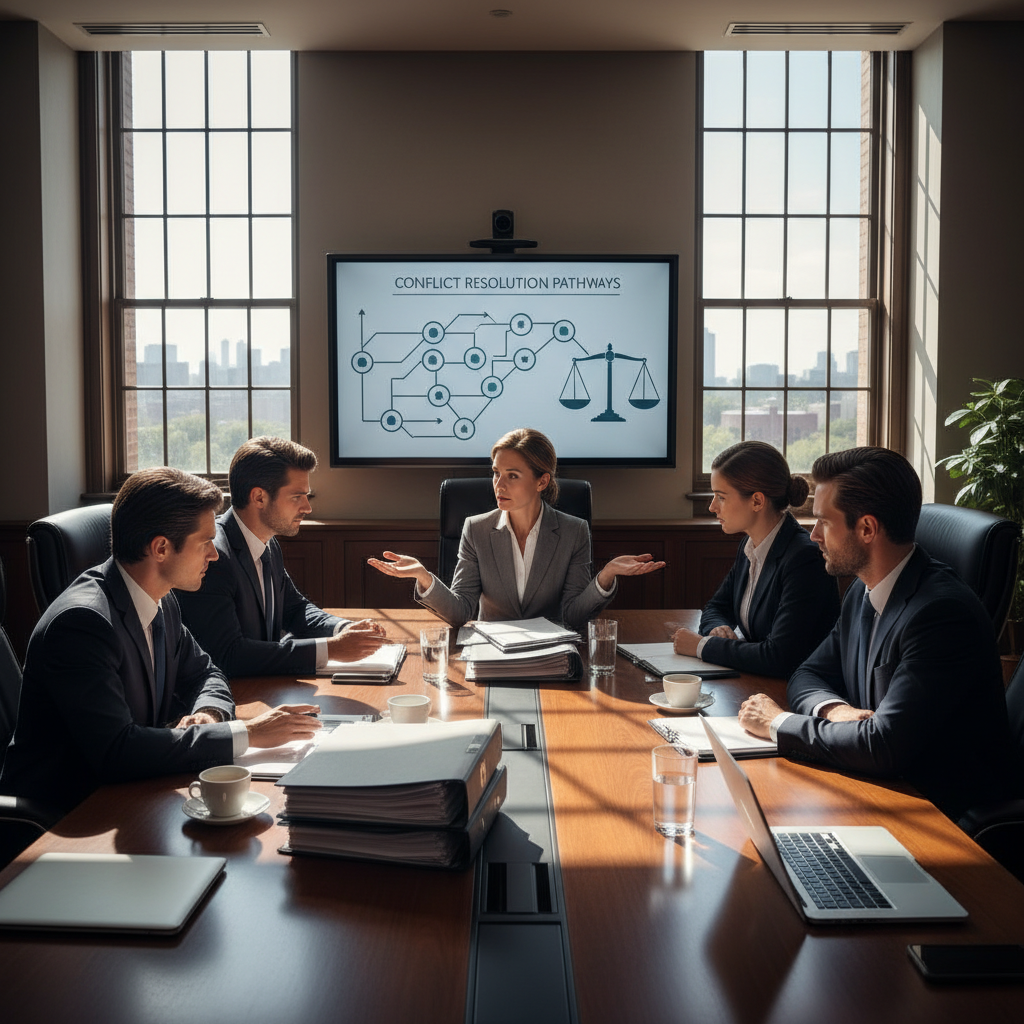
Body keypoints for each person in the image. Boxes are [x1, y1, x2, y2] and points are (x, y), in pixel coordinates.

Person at [1, 468, 321, 821]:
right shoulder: (82, 624)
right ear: (161, 548)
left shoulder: (161, 599)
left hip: (136, 795)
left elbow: (206, 672)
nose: (214, 556)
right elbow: (117, 752)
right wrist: (247, 732)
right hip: (68, 820)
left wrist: (209, 714)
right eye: (205, 543)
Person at [737, 446, 1016, 823]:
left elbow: (883, 745)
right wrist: (836, 710)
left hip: (933, 814)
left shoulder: (941, 615)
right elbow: (807, 674)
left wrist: (776, 723)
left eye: (824, 521)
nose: (814, 534)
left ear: (867, 528)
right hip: (872, 787)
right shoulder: (863, 589)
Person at [368, 427, 665, 631]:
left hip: (550, 654)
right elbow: (460, 612)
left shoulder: (574, 531)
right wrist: (423, 576)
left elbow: (573, 616)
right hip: (491, 653)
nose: (499, 485)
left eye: (512, 475)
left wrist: (606, 576)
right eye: (496, 473)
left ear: (542, 481)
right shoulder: (476, 529)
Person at [177, 437, 387, 677]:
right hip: (238, 698)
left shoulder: (268, 543)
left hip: (268, 688)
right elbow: (228, 655)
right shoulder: (214, 558)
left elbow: (295, 609)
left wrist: (343, 628)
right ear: (259, 498)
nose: (307, 508)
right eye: (297, 496)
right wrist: (330, 649)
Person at [672, 441, 840, 677]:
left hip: (791, 689)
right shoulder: (750, 545)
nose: (712, 507)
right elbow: (716, 606)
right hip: (755, 682)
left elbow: (779, 657)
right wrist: (717, 629)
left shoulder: (805, 558)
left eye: (721, 497)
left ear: (757, 501)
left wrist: (701, 646)